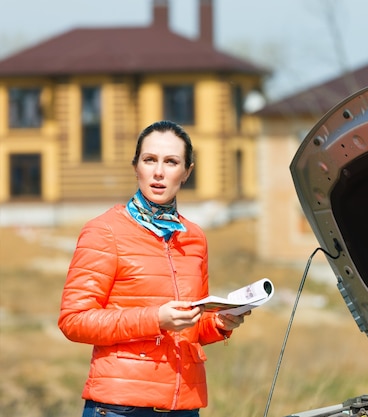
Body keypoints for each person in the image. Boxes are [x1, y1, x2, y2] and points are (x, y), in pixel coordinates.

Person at [58, 120, 248, 417]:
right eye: (150, 160)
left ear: (187, 172)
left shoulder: (194, 236)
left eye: (171, 162)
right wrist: (155, 319)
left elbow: (193, 323)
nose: (159, 172)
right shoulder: (104, 230)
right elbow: (74, 320)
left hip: (184, 404)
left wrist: (220, 323)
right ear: (136, 166)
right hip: (121, 407)